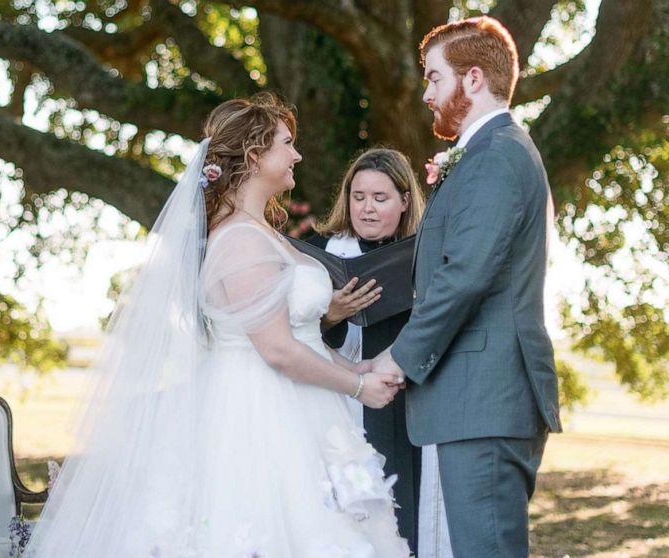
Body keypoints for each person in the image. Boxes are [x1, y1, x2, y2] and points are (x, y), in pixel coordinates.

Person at [26, 94, 412, 557]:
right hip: (259, 414)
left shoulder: (263, 232)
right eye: (287, 144)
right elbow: (277, 349)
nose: (297, 155)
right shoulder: (240, 242)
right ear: (255, 156)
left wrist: (364, 365)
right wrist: (356, 387)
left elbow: (300, 334)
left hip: (304, 408)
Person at [370, 16, 563, 557]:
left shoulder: (497, 155)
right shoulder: (487, 154)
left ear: (473, 79)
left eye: (434, 78)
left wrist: (398, 358)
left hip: (487, 400)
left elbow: (465, 275)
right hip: (476, 399)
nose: (427, 93)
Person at [307, 147, 427, 549]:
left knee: (399, 515)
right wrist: (333, 313)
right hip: (338, 399)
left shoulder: (422, 253)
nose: (367, 209)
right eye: (358, 198)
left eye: (380, 198)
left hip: (402, 403)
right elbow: (297, 334)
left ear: (405, 200)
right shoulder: (322, 249)